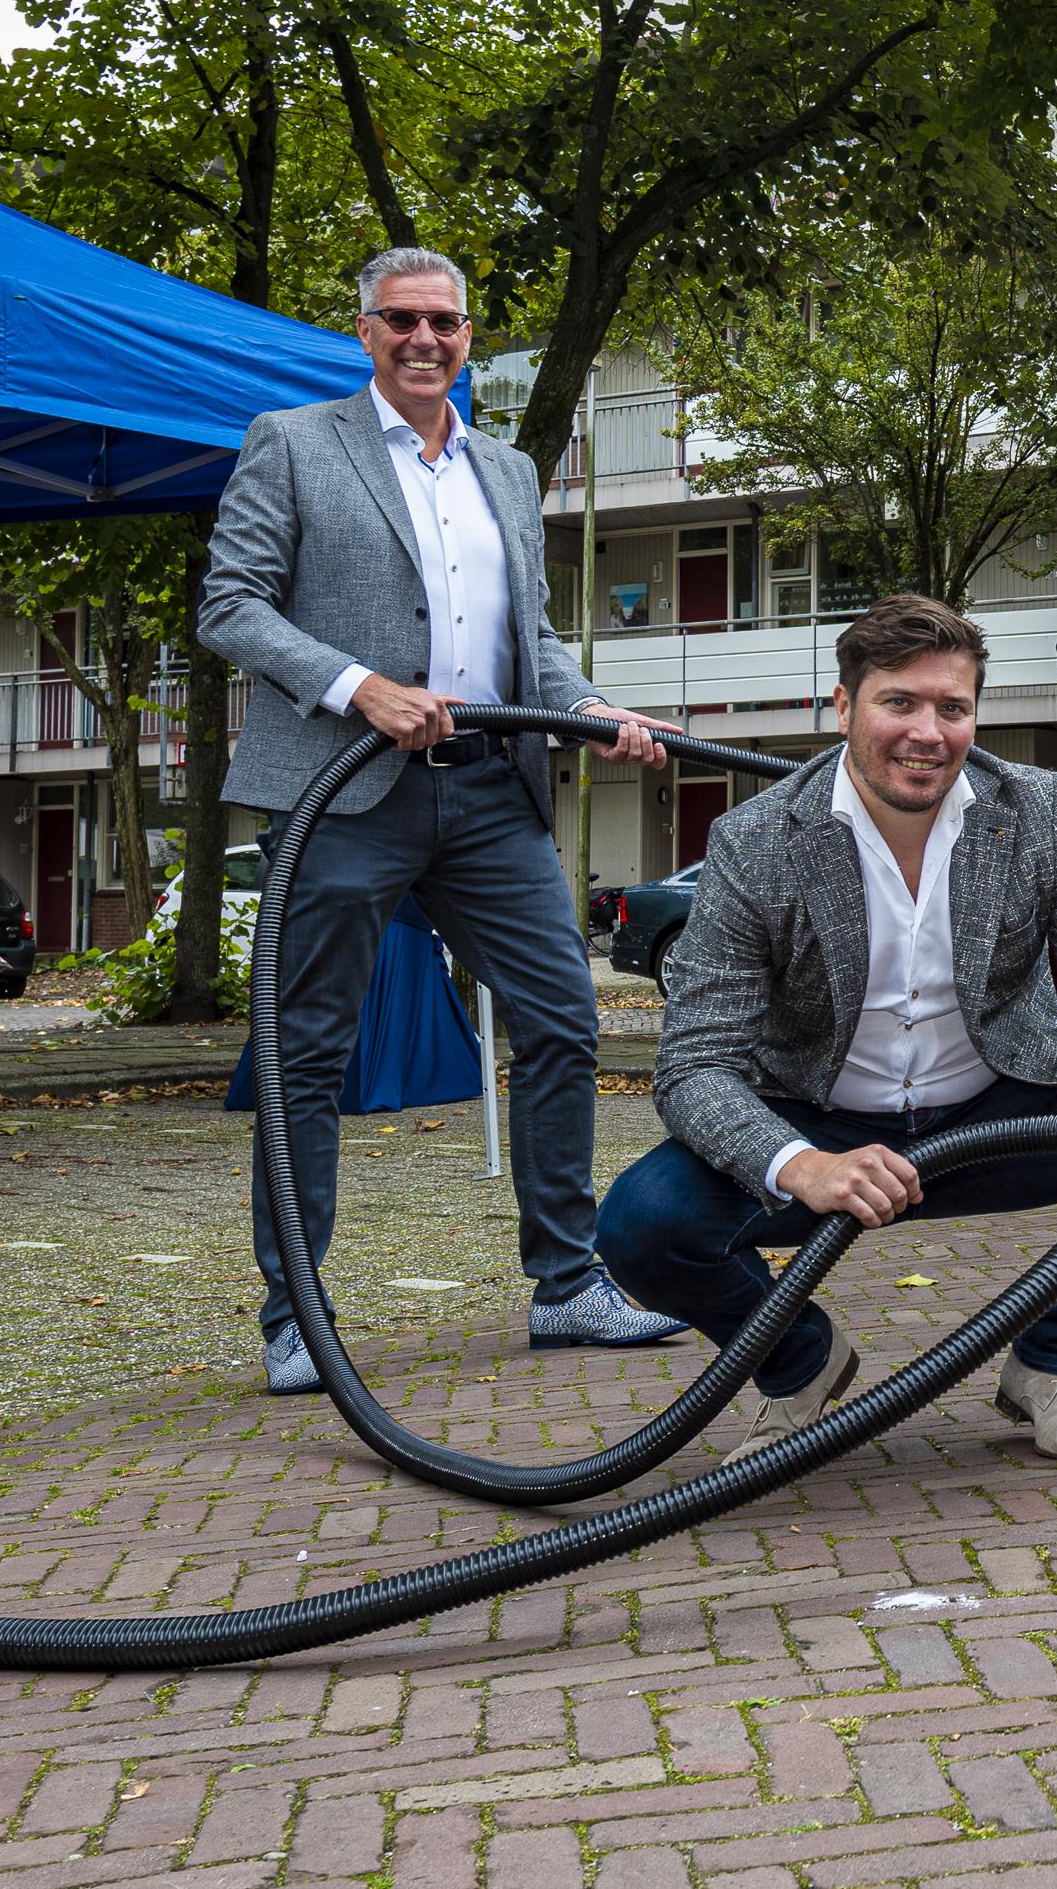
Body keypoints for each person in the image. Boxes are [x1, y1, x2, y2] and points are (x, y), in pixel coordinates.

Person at [200, 245, 688, 1395]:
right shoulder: (293, 442)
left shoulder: (506, 469)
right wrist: (360, 687)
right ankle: (296, 1318)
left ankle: (567, 1286)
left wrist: (587, 710)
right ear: (365, 331)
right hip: (343, 790)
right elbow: (231, 606)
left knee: (563, 1019)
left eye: (446, 323)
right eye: (402, 319)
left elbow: (534, 641)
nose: (426, 339)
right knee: (308, 1050)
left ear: (469, 339)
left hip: (488, 794)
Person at [599, 597, 1057, 1463]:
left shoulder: (1038, 810)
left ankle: (1051, 1359)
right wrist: (805, 1165)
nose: (927, 733)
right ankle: (798, 1361)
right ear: (843, 706)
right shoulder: (755, 840)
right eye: (898, 702)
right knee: (639, 1222)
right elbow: (693, 1065)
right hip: (822, 1123)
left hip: (1002, 1113)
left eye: (952, 707)